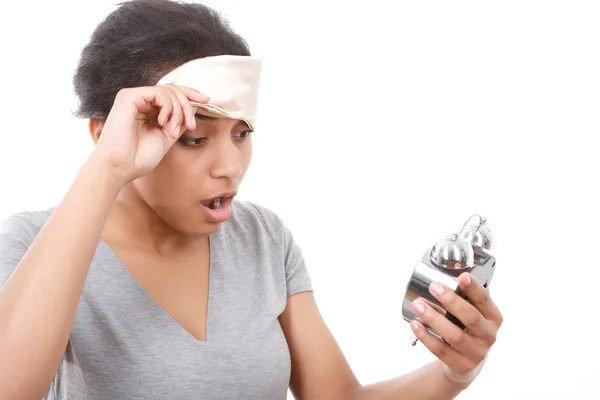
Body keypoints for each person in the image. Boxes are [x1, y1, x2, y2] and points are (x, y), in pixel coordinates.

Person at [0, 0, 504, 399]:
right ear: (106, 134)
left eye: (243, 134)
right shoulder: (34, 243)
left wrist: (453, 375)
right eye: (195, 139)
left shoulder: (262, 239)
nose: (231, 166)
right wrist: (106, 169)